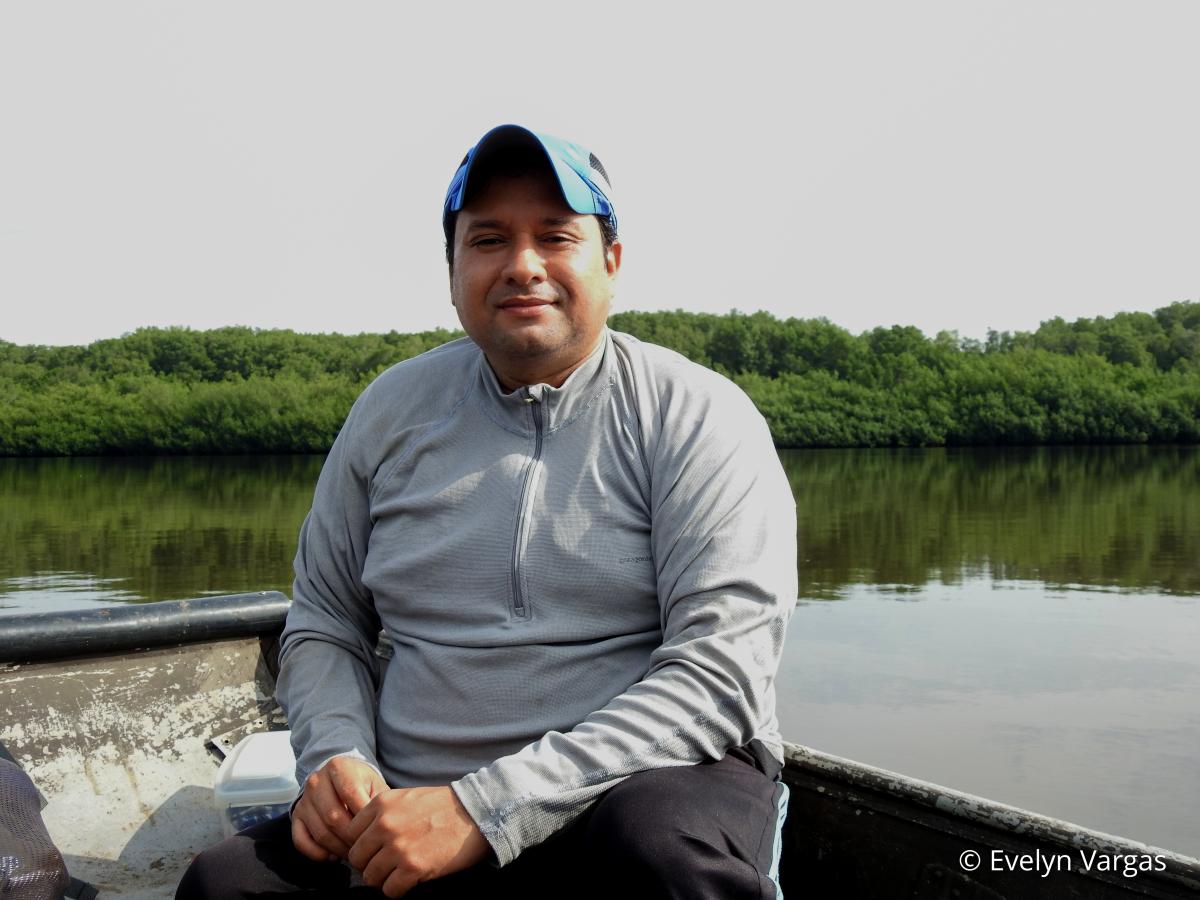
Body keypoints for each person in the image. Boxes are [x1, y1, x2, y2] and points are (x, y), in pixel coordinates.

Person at [177, 124, 798, 899]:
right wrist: (335, 757)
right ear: (453, 271)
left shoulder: (697, 416)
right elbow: (326, 622)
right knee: (223, 884)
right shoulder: (389, 414)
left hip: (630, 792)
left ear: (611, 261)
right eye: (490, 239)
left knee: (657, 853)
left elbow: (721, 675)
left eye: (557, 236)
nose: (523, 266)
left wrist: (482, 808)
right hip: (413, 808)